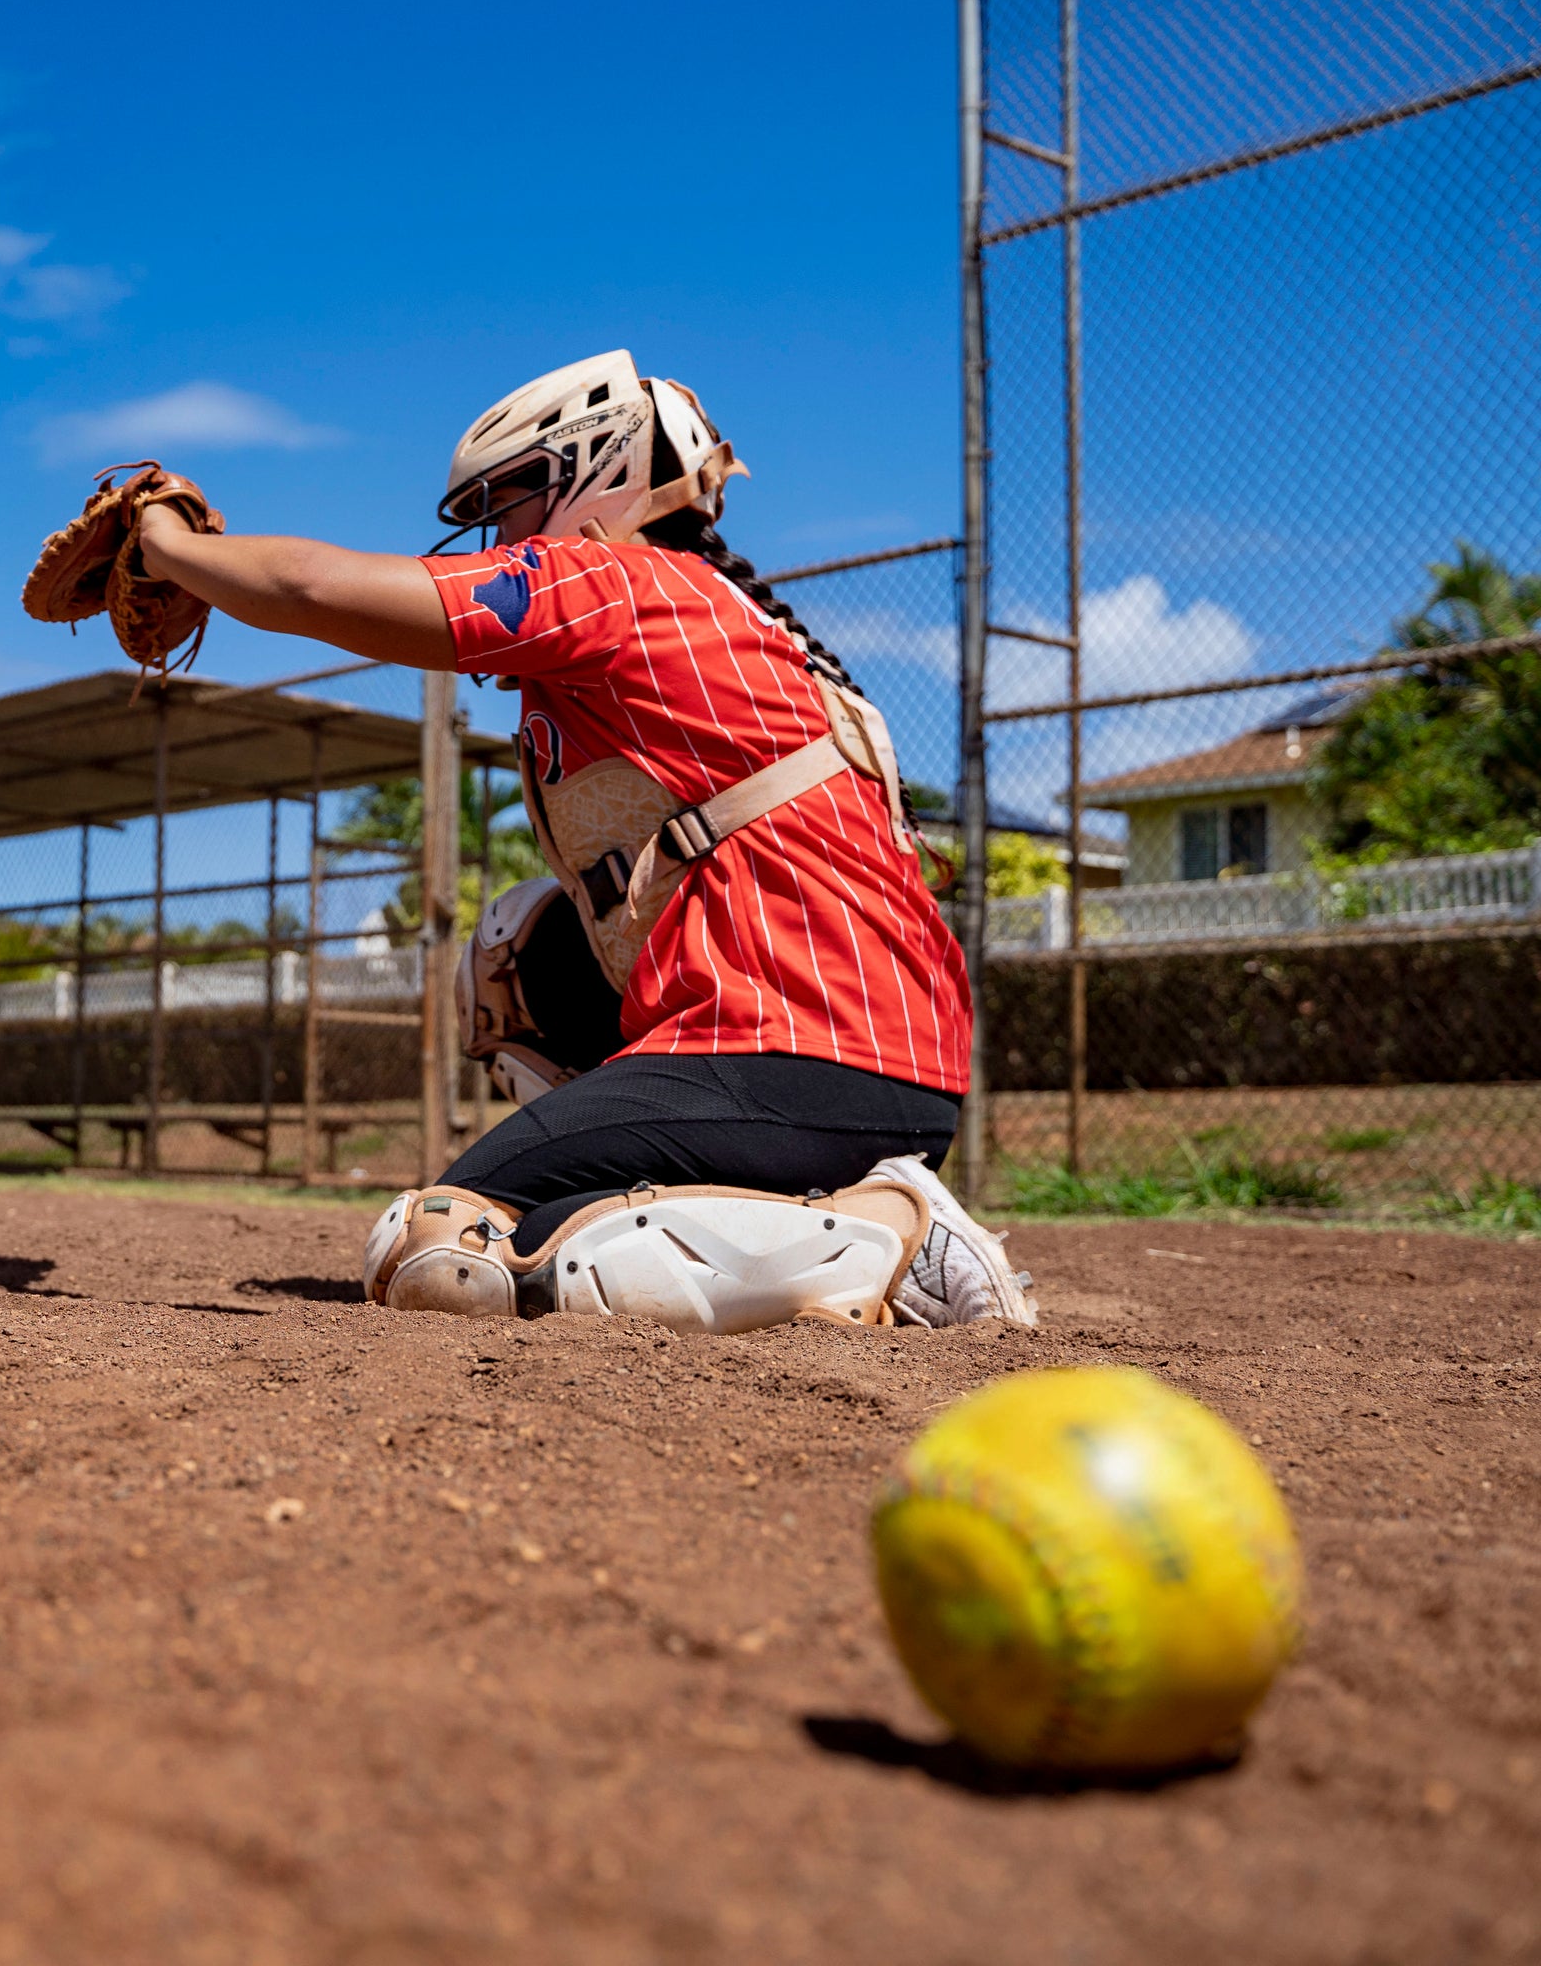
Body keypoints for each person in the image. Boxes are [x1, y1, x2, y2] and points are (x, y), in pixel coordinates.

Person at [123, 349, 1030, 1330]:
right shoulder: (713, 612)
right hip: (884, 1061)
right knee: (519, 972)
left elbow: (307, 585)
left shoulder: (616, 581)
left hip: (794, 1044)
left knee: (443, 1246)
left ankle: (896, 1232)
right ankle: (837, 1214)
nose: (497, 531)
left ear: (595, 474)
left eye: (510, 499)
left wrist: (165, 544)